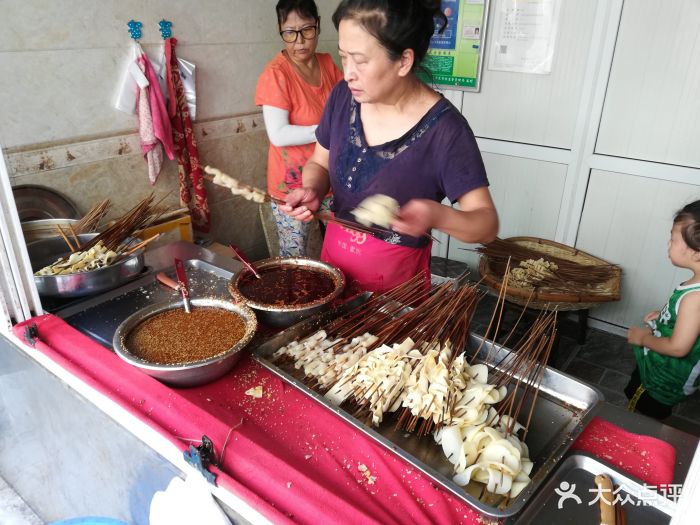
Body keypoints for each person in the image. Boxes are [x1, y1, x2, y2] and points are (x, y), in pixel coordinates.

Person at [281, 0, 498, 292]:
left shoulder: (446, 131)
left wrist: (435, 214)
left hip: (395, 293)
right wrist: (312, 189)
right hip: (332, 273)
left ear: (404, 61)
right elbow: (319, 163)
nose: (348, 73)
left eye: (360, 60)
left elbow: (486, 225)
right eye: (344, 57)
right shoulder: (343, 97)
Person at [255, 0, 343, 256]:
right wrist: (327, 130)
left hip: (328, 180)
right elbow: (279, 135)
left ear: (317, 26)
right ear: (280, 31)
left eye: (307, 30)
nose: (299, 41)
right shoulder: (276, 74)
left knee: (340, 251)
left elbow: (346, 108)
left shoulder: (328, 65)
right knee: (294, 259)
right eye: (289, 33)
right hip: (291, 188)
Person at [626, 200, 700, 419]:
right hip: (669, 374)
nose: (668, 244)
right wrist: (666, 316)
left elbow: (678, 348)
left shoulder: (694, 299)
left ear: (697, 253)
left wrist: (643, 338)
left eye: (673, 238)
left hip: (660, 380)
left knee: (639, 413)